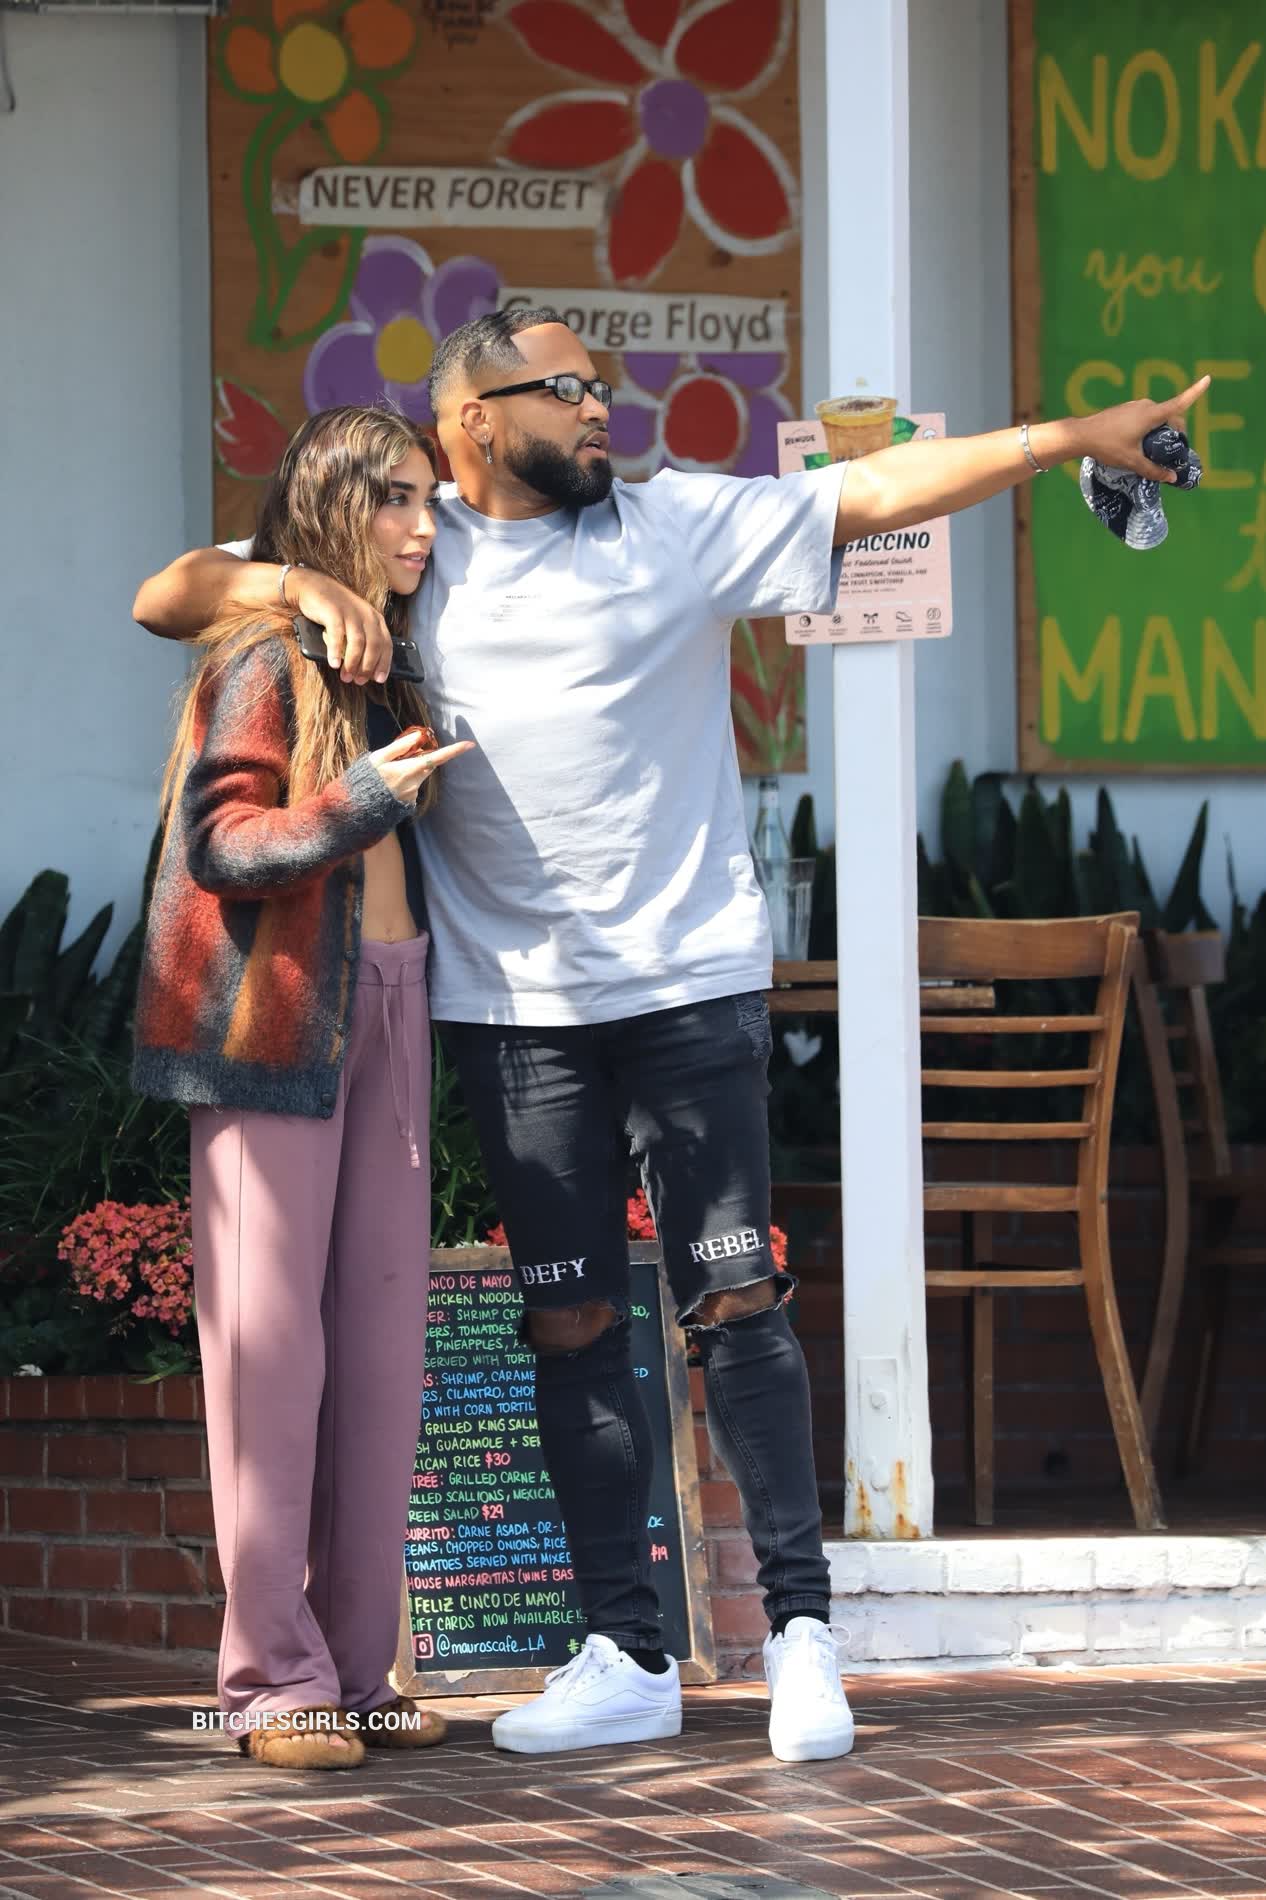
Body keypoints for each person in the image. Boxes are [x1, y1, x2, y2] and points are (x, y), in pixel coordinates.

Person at [135, 324, 1209, 1765]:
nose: (601, 409)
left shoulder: (678, 525)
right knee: (571, 1325)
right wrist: (301, 581)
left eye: (602, 387)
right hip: (513, 1015)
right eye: (567, 390)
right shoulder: (413, 546)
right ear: (471, 420)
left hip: (687, 990)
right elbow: (170, 593)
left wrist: (1068, 437)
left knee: (736, 1303)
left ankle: (802, 1641)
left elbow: (878, 489)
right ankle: (626, 1654)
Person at [132, 406, 472, 1770]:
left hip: (392, 1004)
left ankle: (357, 1665)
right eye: (394, 499)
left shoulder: (392, 659)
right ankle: (272, 1681)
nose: (421, 526)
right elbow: (221, 844)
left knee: (383, 1361)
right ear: (332, 506)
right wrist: (360, 802)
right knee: (270, 1363)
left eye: (429, 500)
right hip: (271, 1029)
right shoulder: (269, 652)